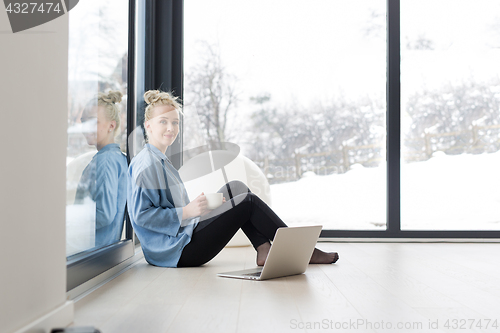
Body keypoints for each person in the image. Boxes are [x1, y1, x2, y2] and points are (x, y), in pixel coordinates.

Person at [127, 90, 339, 267]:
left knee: (235, 188)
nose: (171, 128)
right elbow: (141, 217)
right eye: (163, 122)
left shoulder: (159, 159)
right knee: (246, 202)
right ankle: (303, 251)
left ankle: (263, 248)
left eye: (175, 122)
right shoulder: (147, 165)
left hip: (181, 237)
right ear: (148, 126)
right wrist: (188, 211)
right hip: (176, 251)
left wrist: (200, 209)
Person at [75, 90, 128, 248]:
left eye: (93, 122)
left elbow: (104, 214)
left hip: (93, 250)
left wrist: (69, 221)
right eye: (83, 121)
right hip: (103, 249)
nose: (85, 128)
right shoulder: (118, 158)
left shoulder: (106, 161)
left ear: (112, 125)